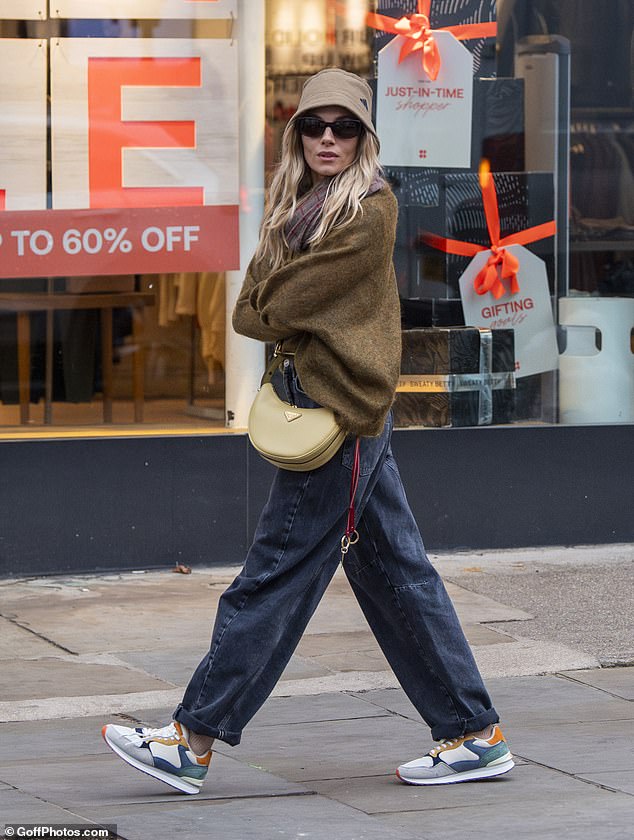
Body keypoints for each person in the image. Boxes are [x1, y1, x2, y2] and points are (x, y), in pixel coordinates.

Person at [101, 68, 514, 794]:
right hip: (342, 412)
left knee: (274, 574)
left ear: (364, 137)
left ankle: (191, 740)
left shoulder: (368, 212)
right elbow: (255, 306)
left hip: (338, 415)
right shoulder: (301, 205)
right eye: (315, 126)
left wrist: (282, 291)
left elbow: (264, 307)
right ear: (298, 134)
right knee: (395, 574)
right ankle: (473, 733)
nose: (329, 137)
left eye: (345, 126)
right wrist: (281, 285)